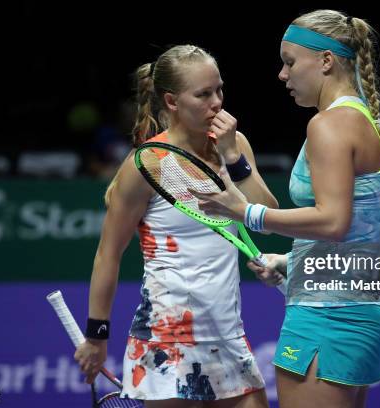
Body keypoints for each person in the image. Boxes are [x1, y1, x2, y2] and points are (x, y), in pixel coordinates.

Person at [192, 10, 380, 408]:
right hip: (357, 314)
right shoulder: (366, 119)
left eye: (289, 62)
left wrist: (244, 212)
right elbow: (359, 230)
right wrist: (292, 261)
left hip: (327, 320)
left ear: (325, 61)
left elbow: (334, 222)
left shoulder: (330, 125)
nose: (282, 75)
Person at [74, 44, 278, 408]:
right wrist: (97, 335)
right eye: (203, 94)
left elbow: (268, 217)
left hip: (228, 335)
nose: (216, 102)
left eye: (219, 90)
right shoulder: (146, 165)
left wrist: (233, 156)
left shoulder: (235, 145)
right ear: (171, 101)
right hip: (165, 339)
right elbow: (107, 255)